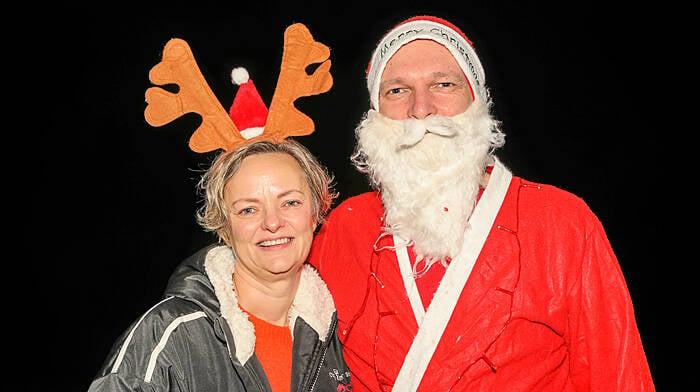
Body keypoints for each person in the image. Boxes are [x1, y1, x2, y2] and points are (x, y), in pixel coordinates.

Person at [307, 15, 655, 391]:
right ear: (374, 114)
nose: (421, 109)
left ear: (476, 100)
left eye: (443, 84)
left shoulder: (563, 223)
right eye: (397, 91)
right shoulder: (345, 227)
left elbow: (619, 376)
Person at [89, 24, 352, 392]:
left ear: (316, 212)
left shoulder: (342, 337)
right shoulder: (170, 335)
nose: (273, 222)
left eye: (290, 202)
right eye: (248, 210)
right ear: (223, 226)